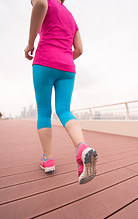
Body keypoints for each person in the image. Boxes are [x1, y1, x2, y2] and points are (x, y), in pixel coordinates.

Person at [24, 0, 98, 184]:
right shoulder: (71, 17)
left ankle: (48, 159)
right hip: (67, 67)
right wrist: (64, 56)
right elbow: (79, 49)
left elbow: (40, 4)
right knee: (64, 110)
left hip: (45, 61)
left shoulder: (46, 1)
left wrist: (30, 44)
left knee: (44, 111)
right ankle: (82, 147)